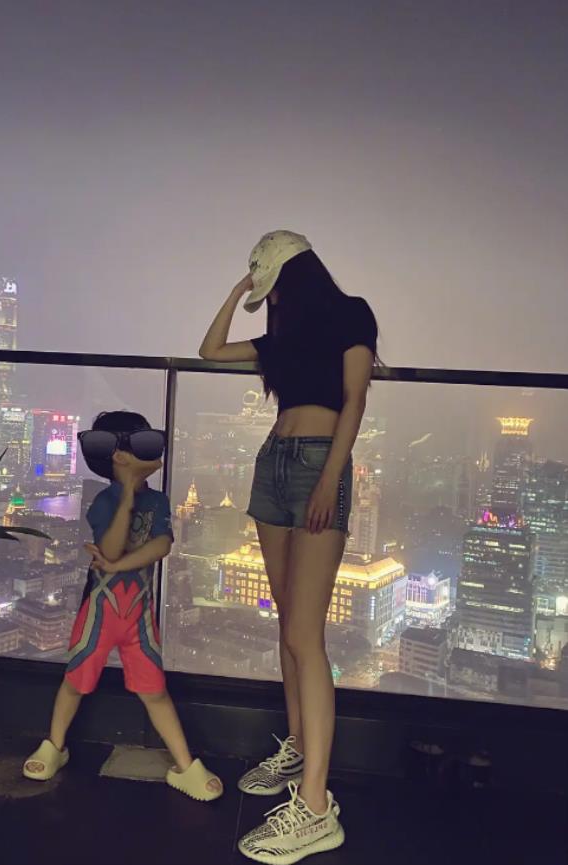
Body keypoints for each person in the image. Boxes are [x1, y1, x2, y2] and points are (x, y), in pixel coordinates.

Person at [199, 231, 378, 864]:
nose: (269, 300)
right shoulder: (279, 338)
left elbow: (354, 400)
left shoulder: (351, 313)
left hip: (316, 467)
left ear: (296, 277)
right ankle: (299, 748)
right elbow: (209, 349)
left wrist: (330, 476)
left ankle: (317, 807)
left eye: (272, 287)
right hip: (272, 463)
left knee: (306, 635)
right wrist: (239, 291)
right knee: (287, 623)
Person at [23, 410, 223, 802]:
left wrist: (116, 566)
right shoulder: (103, 501)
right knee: (76, 680)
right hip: (99, 612)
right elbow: (112, 546)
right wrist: (128, 494)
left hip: (138, 616)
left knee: (155, 689)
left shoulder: (159, 501)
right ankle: (54, 746)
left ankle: (185, 765)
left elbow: (161, 545)